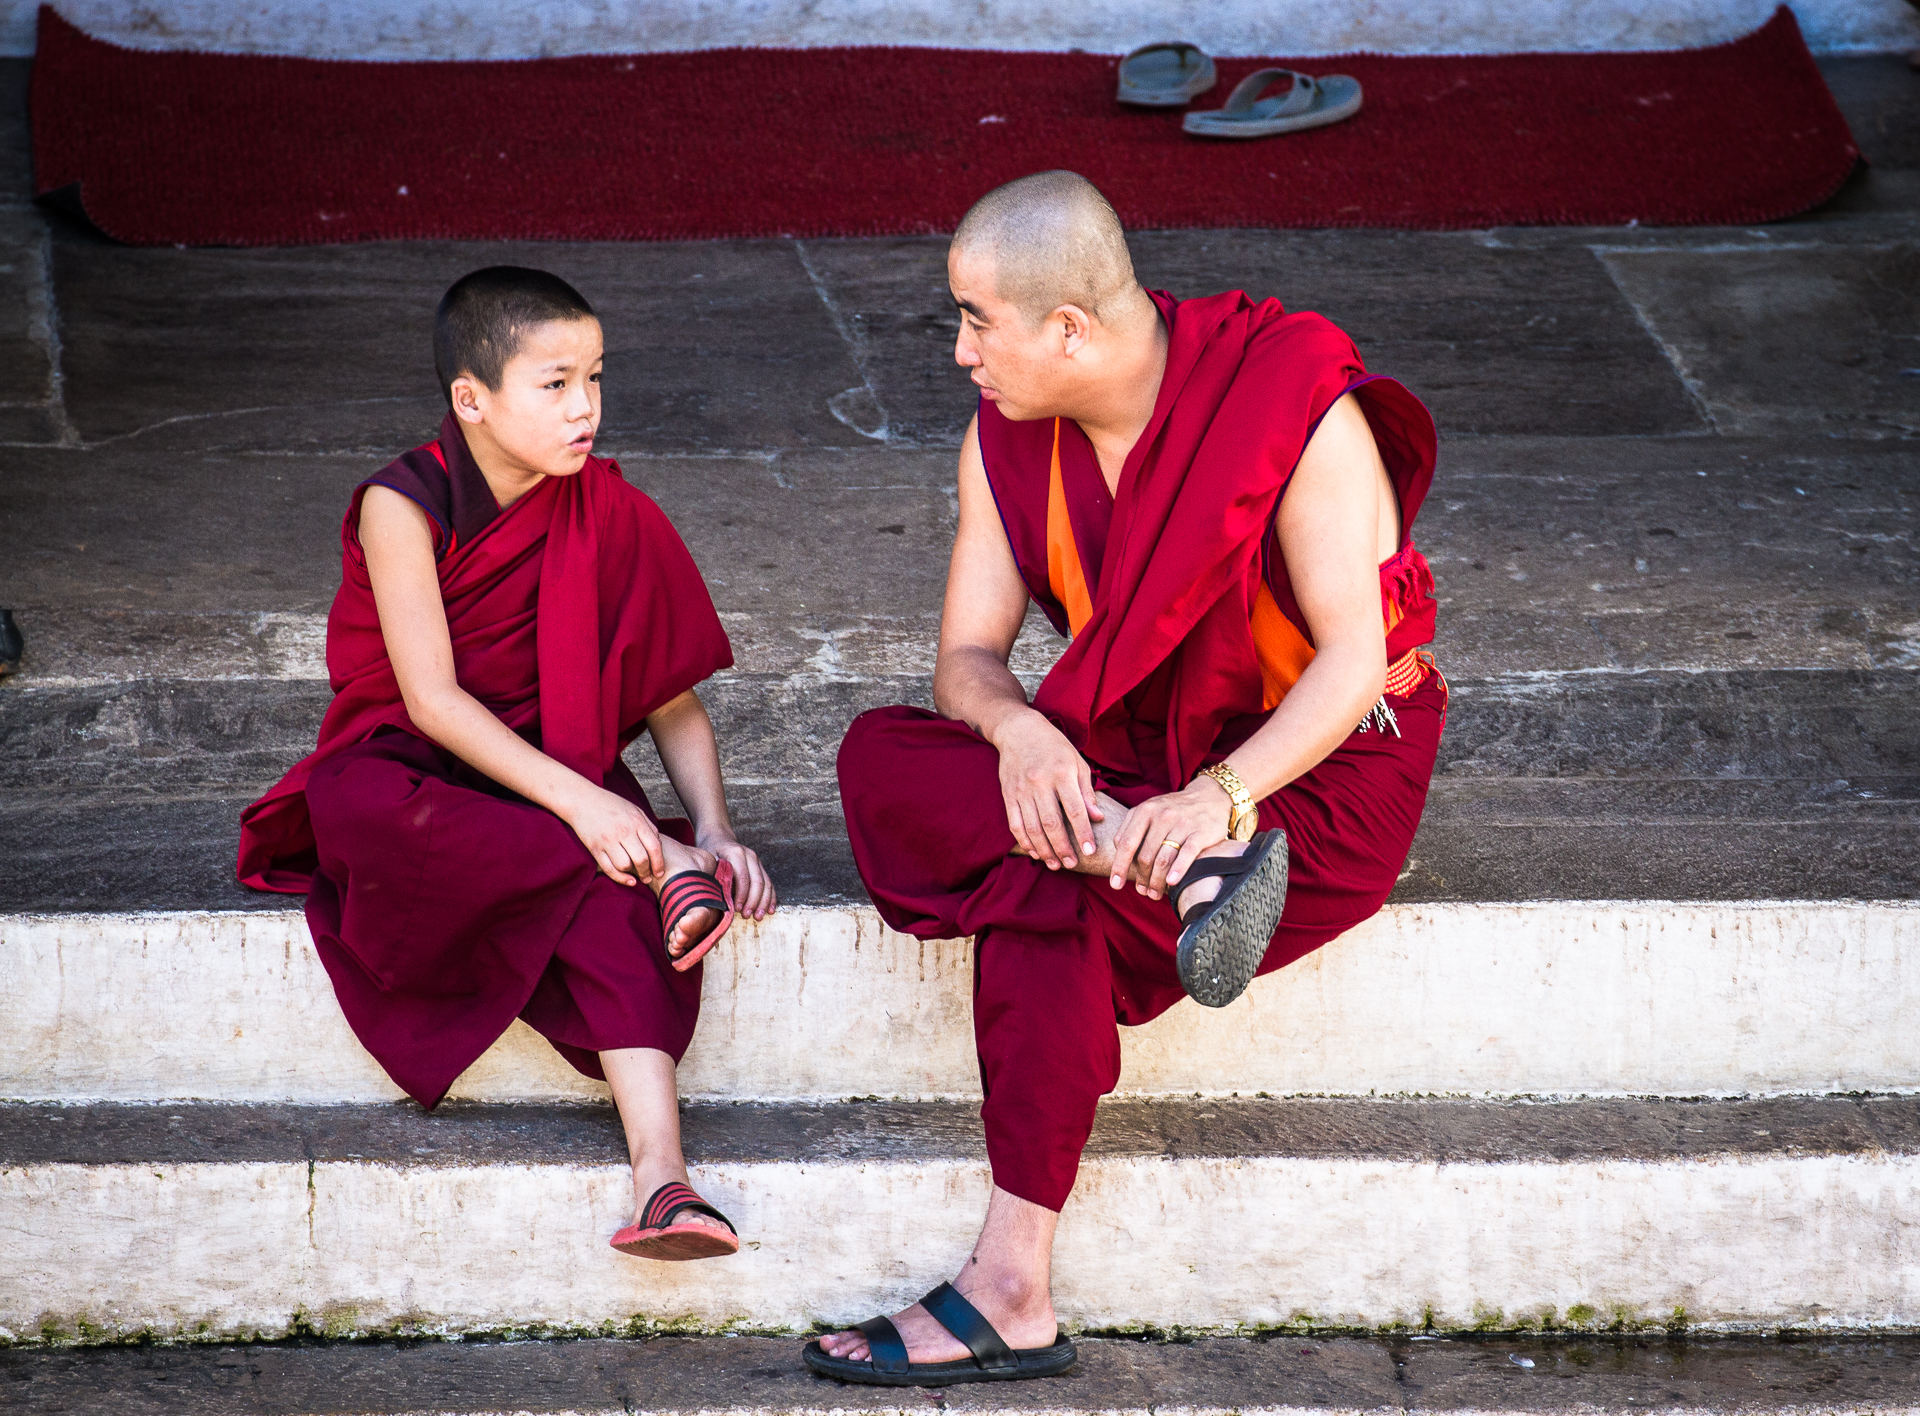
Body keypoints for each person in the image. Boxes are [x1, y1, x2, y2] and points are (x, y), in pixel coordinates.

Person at [811, 172, 1445, 1386]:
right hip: (1132, 777)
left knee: (1032, 895)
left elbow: (1355, 660)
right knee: (885, 756)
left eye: (974, 320)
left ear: (1068, 330)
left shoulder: (1290, 399)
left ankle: (1008, 1286)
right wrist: (1020, 737)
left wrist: (1221, 801)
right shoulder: (1006, 438)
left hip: (1315, 770)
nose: (960, 354)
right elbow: (965, 660)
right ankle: (1172, 869)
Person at [238, 267, 775, 1262]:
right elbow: (432, 700)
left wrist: (712, 830)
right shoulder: (402, 504)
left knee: (619, 901)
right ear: (471, 400)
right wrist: (612, 821)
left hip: (552, 771)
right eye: (556, 383)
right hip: (419, 769)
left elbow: (671, 697)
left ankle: (664, 1179)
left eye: (596, 380)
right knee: (371, 803)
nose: (586, 410)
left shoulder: (611, 511)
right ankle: (655, 862)